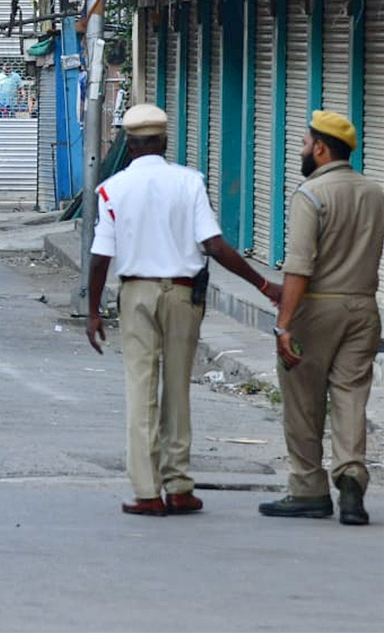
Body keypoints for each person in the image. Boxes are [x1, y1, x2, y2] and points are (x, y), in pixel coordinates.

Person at [87, 104, 283, 517]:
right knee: (177, 388)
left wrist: (92, 311)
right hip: (182, 295)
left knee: (141, 391)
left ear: (129, 145)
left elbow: (101, 255)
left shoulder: (113, 188)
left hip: (136, 293)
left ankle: (146, 491)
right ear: (163, 141)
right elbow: (214, 244)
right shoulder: (189, 182)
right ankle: (178, 487)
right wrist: (264, 284)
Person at [259, 111, 384, 526]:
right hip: (363, 306)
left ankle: (308, 488)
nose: (300, 150)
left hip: (317, 307)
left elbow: (299, 266)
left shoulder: (311, 194)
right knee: (351, 396)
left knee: (303, 399)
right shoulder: (374, 193)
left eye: (303, 143)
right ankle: (351, 481)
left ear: (320, 148)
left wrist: (285, 323)